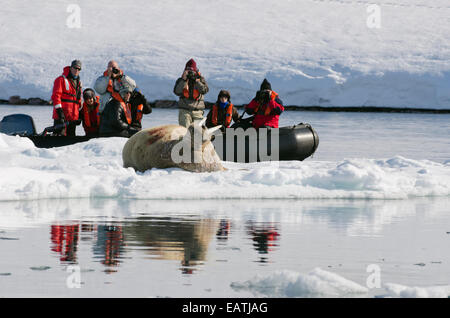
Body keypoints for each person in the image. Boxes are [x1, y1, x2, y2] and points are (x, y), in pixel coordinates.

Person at [173, 58, 209, 127]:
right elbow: (177, 91)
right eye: (188, 70)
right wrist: (183, 80)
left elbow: (204, 90)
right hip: (184, 111)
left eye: (191, 70)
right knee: (185, 133)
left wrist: (197, 81)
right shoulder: (181, 80)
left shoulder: (200, 79)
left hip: (198, 111)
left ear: (195, 70)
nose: (190, 72)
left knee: (198, 134)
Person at [51, 60, 83, 136]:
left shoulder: (79, 82)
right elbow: (56, 96)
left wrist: (79, 115)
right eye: (75, 68)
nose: (77, 70)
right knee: (58, 139)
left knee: (71, 139)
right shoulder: (60, 79)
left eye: (79, 69)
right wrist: (60, 112)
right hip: (61, 116)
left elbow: (78, 100)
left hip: (73, 117)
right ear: (71, 68)